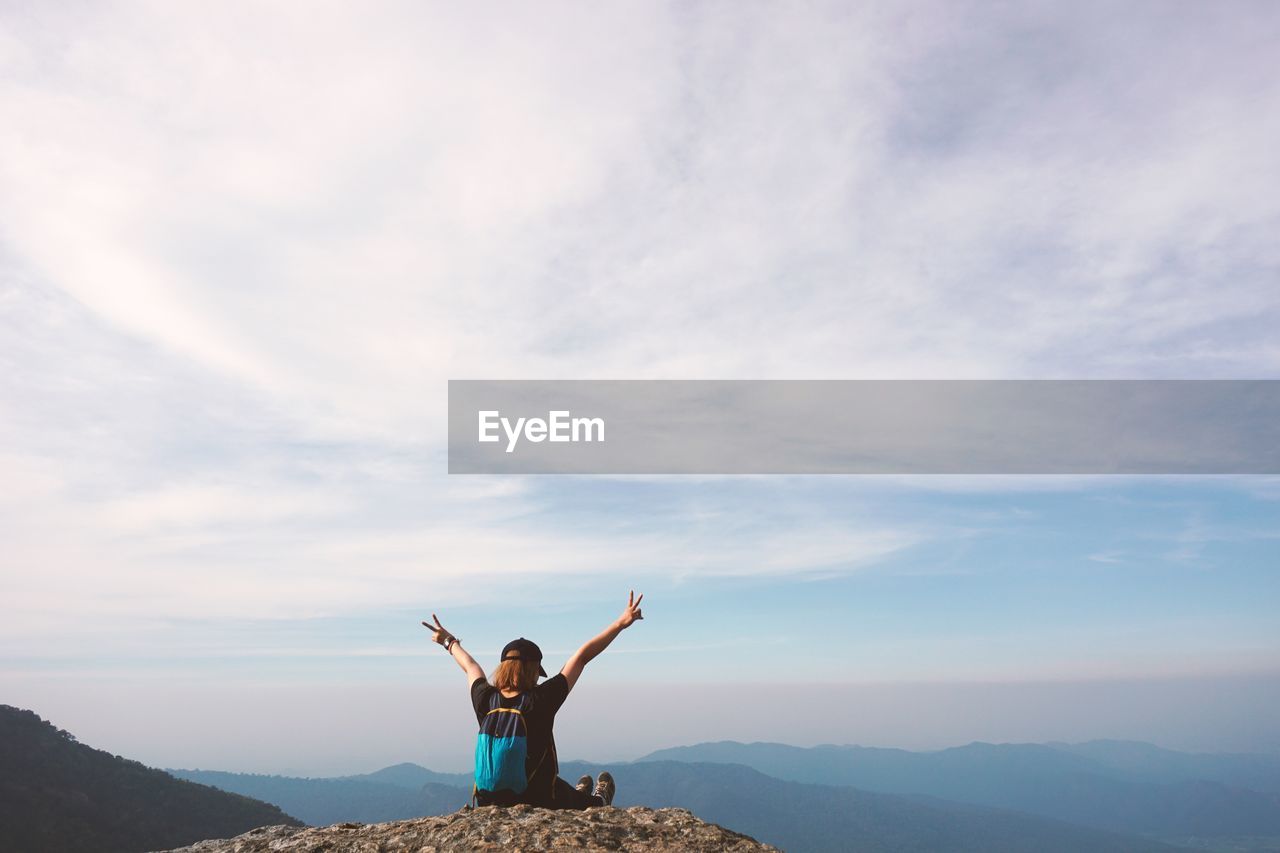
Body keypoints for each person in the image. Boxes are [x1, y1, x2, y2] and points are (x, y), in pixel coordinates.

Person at [423, 590, 644, 810]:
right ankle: (599, 800)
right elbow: (582, 657)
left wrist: (448, 641)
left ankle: (577, 794)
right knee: (576, 799)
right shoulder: (540, 700)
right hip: (538, 800)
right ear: (533, 670)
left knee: (563, 788)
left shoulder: (485, 698)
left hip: (487, 802)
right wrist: (620, 624)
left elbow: (470, 667)